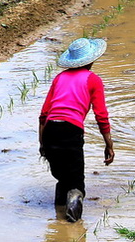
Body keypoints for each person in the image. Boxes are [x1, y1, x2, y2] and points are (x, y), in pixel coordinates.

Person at [39, 37, 115, 222]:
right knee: (75, 185)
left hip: (50, 131)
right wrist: (109, 144)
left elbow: (44, 114)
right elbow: (101, 115)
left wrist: (42, 143)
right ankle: (73, 231)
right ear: (91, 60)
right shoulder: (93, 80)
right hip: (71, 130)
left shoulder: (59, 78)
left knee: (62, 179)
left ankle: (58, 225)